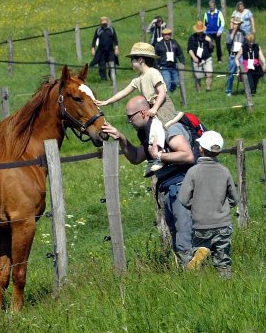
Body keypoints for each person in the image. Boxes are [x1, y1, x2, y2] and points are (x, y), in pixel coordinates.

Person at [100, 96, 197, 266]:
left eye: (130, 117)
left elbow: (187, 155)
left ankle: (197, 276)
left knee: (184, 237)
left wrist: (159, 156)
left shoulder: (169, 128)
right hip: (170, 188)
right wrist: (121, 138)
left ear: (144, 112)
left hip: (182, 185)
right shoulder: (150, 133)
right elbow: (137, 157)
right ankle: (191, 272)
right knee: (177, 235)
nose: (129, 121)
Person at [179, 130, 237, 278]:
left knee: (200, 251)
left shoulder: (193, 172)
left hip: (201, 224)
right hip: (223, 224)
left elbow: (183, 199)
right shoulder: (224, 171)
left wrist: (196, 206)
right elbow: (234, 198)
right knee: (223, 259)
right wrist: (223, 208)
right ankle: (225, 282)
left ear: (200, 149)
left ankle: (200, 256)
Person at [96, 42, 180, 126]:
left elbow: (162, 92)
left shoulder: (153, 72)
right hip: (151, 108)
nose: (131, 62)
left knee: (167, 127)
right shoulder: (138, 79)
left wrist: (154, 108)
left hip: (162, 106)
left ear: (140, 60)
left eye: (132, 59)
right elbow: (123, 92)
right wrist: (107, 102)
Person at [188, 21, 215, 93]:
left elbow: (211, 48)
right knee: (198, 77)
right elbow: (189, 49)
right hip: (196, 59)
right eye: (198, 31)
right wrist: (194, 57)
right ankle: (199, 91)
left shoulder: (208, 36)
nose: (200, 32)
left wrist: (210, 42)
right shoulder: (192, 38)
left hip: (207, 58)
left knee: (210, 73)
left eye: (201, 31)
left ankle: (208, 89)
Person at [154, 28, 184, 94]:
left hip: (173, 66)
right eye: (165, 35)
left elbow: (180, 53)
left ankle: (171, 93)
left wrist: (182, 62)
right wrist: (157, 66)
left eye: (168, 34)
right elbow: (155, 56)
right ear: (163, 35)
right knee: (167, 81)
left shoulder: (174, 43)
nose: (167, 36)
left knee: (175, 82)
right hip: (164, 66)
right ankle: (167, 97)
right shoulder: (158, 45)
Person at [89, 16, 119, 81]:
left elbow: (115, 39)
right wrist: (93, 48)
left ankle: (112, 78)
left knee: (112, 64)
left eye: (105, 23)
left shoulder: (111, 29)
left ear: (107, 22)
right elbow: (94, 39)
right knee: (102, 65)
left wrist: (116, 48)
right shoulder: (98, 30)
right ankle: (104, 80)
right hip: (101, 50)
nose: (104, 24)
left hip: (110, 50)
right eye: (103, 23)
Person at [224, 17, 246, 96]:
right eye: (235, 24)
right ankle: (228, 91)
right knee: (231, 74)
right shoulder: (229, 32)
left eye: (238, 24)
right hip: (233, 55)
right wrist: (233, 32)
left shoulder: (243, 33)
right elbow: (228, 42)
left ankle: (246, 90)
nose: (237, 26)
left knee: (243, 73)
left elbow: (245, 44)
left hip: (241, 55)